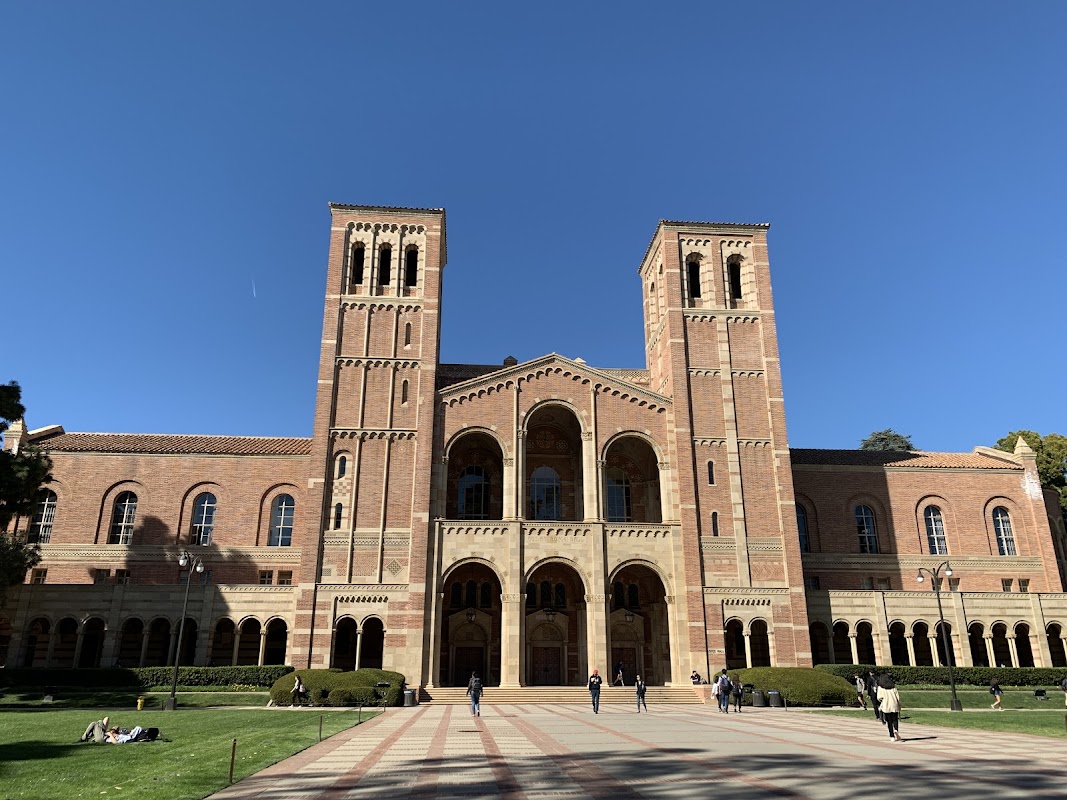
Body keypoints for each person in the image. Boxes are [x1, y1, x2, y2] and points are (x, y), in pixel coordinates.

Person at [877, 674, 903, 742]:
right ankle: (896, 730)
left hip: (886, 705)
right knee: (895, 720)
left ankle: (892, 736)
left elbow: (879, 697)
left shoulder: (880, 687)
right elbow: (898, 697)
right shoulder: (893, 687)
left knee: (889, 722)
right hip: (894, 704)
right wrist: (900, 704)